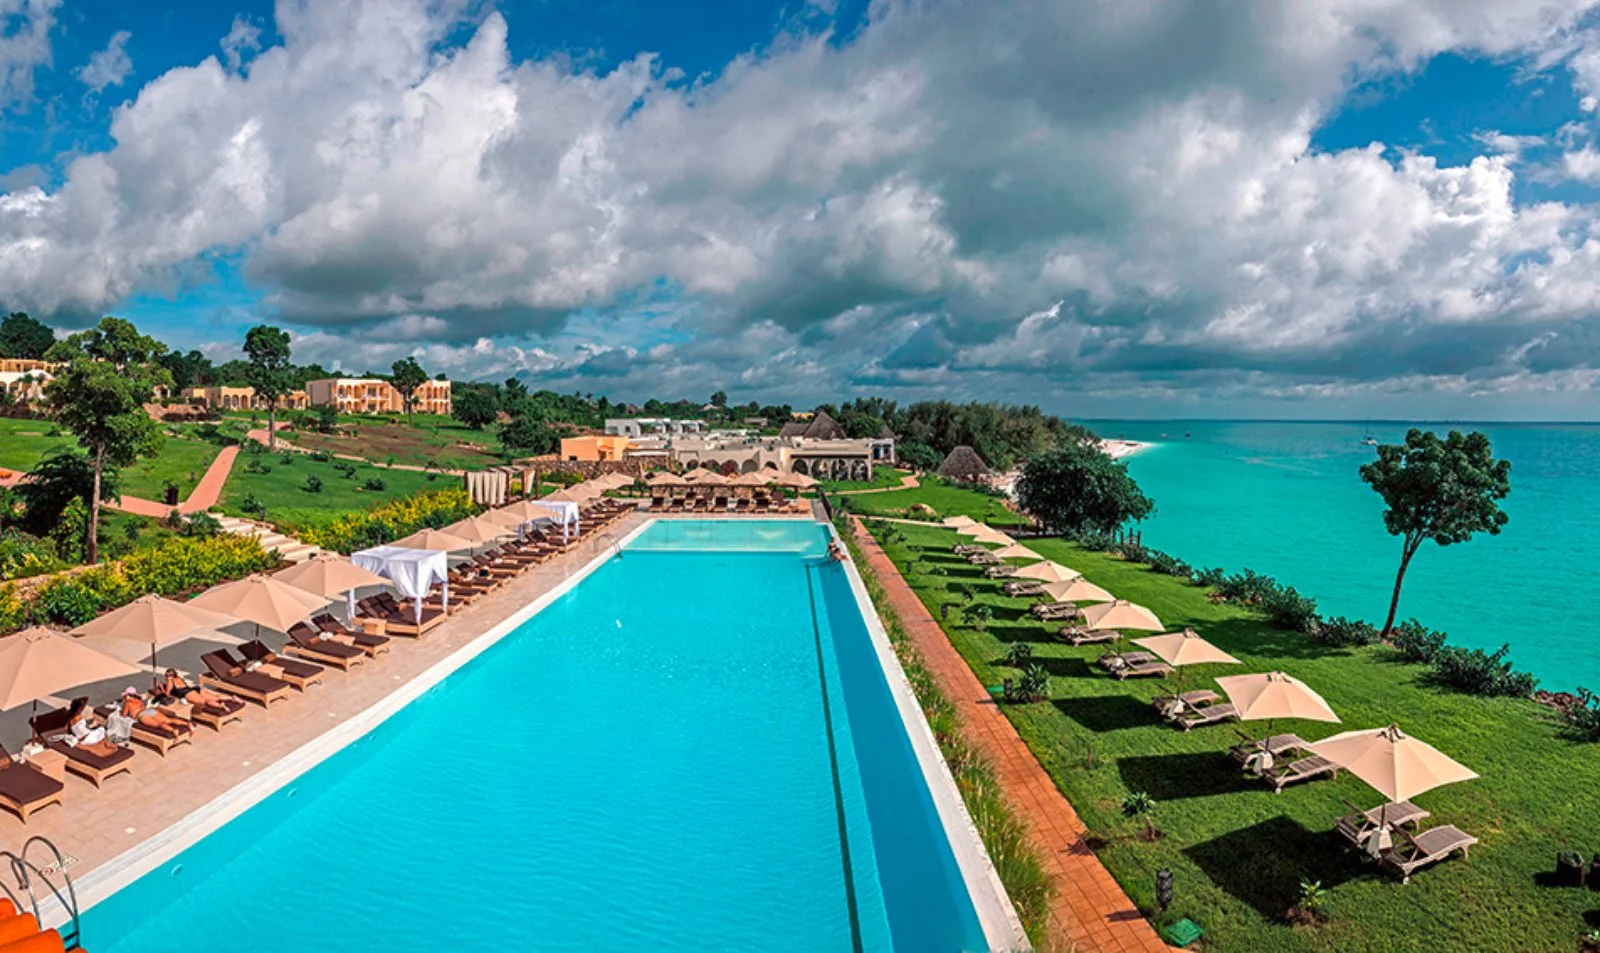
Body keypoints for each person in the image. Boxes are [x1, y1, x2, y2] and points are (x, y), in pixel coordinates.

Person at [120, 688, 187, 733]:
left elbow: (123, 715)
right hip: (149, 711)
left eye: (125, 695)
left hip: (142, 715)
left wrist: (122, 711)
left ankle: (173, 730)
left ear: (127, 695)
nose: (124, 696)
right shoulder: (139, 700)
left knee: (159, 724)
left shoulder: (127, 703)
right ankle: (188, 724)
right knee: (169, 720)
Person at [160, 669, 233, 710]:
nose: (166, 676)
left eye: (166, 675)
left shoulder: (170, 680)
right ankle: (233, 698)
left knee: (205, 702)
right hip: (195, 689)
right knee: (216, 696)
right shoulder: (179, 677)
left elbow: (167, 694)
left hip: (188, 693)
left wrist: (162, 688)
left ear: (170, 676)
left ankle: (222, 706)